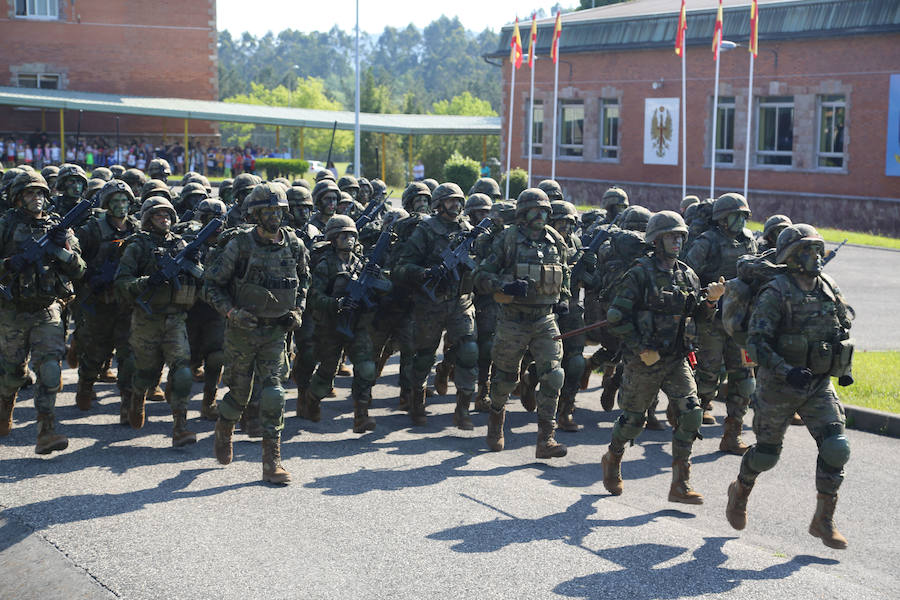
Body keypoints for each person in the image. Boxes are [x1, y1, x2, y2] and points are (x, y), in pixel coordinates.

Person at [725, 224, 853, 549]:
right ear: (793, 256)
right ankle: (741, 489)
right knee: (767, 456)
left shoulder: (827, 286)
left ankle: (823, 519)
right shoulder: (776, 291)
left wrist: (838, 347)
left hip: (817, 384)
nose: (816, 256)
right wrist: (785, 368)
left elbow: (843, 319)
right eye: (808, 250)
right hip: (778, 385)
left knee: (836, 446)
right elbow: (756, 343)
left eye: (818, 249)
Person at [601, 211, 724, 503]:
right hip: (643, 360)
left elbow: (699, 319)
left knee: (692, 413)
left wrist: (711, 302)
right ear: (657, 240)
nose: (678, 241)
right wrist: (640, 349)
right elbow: (617, 317)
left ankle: (680, 484)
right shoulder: (639, 274)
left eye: (681, 236)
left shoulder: (687, 275)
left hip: (676, 359)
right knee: (633, 421)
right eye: (671, 236)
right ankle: (613, 458)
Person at [203, 182, 309, 484]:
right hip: (242, 331)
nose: (274, 216)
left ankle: (271, 460)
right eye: (268, 211)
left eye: (279, 210)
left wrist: (298, 310)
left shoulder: (294, 245)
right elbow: (211, 286)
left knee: (274, 393)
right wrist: (231, 312)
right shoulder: (240, 245)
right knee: (239, 394)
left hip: (276, 332)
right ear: (255, 214)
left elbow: (304, 282)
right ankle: (225, 427)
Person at [473, 188, 570, 459]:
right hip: (513, 320)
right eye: (534, 210)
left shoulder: (556, 241)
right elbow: (481, 276)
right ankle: (495, 422)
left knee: (554, 375)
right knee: (504, 379)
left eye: (544, 211)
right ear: (522, 214)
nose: (540, 215)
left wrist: (563, 298)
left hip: (544, 320)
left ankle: (546, 439)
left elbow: (565, 272)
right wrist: (507, 285)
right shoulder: (508, 239)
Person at [0, 171, 86, 452]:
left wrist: (61, 249)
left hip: (47, 308)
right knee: (12, 373)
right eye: (29, 193)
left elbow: (79, 269)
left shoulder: (59, 228)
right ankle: (4, 409)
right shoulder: (6, 224)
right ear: (17, 198)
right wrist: (11, 263)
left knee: (50, 369)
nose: (36, 198)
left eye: (40, 193)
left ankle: (46, 432)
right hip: (12, 309)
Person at [114, 196, 201, 447]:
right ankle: (137, 397)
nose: (164, 219)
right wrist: (145, 281)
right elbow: (121, 282)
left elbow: (201, 279)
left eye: (167, 215)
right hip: (147, 319)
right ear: (147, 219)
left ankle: (180, 427)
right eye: (157, 215)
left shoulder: (181, 244)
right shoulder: (137, 246)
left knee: (182, 371)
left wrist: (194, 263)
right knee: (146, 372)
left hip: (175, 318)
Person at [395, 182, 479, 429]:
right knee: (423, 356)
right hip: (430, 303)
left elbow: (483, 262)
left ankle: (463, 409)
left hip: (461, 302)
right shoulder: (426, 230)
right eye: (451, 200)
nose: (457, 205)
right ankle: (417, 401)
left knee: (469, 351)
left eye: (459, 200)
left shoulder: (468, 229)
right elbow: (401, 267)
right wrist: (426, 273)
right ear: (438, 204)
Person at [300, 215, 388, 432]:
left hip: (358, 326)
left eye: (351, 235)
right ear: (333, 238)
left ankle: (361, 415)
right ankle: (312, 399)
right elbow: (313, 297)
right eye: (343, 235)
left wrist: (381, 277)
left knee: (366, 368)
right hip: (330, 327)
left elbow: (386, 289)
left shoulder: (361, 263)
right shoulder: (325, 265)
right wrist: (337, 304)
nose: (348, 239)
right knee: (327, 372)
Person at [685, 193, 758, 453]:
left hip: (740, 321)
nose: (740, 221)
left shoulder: (750, 241)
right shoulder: (707, 241)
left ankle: (732, 434)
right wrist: (707, 295)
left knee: (745, 380)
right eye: (734, 216)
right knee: (708, 377)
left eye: (743, 216)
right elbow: (687, 274)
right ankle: (688, 422)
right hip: (712, 320)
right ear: (721, 219)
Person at [73, 180, 140, 421]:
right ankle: (86, 385)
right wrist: (90, 276)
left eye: (124, 201)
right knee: (94, 352)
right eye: (115, 201)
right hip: (99, 303)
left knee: (129, 355)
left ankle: (127, 403)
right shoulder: (92, 230)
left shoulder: (137, 229)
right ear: (107, 205)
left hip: (127, 305)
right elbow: (75, 260)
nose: (121, 206)